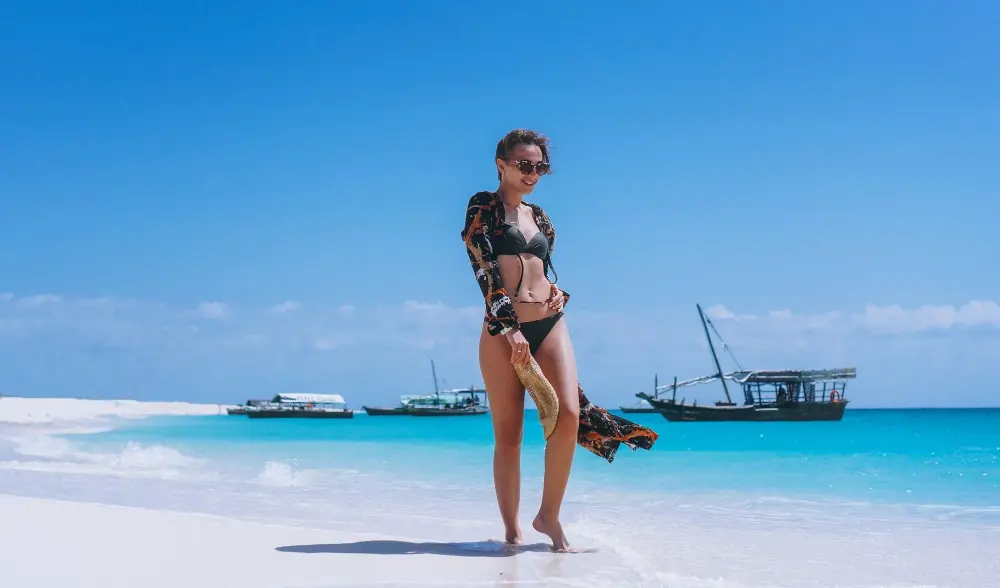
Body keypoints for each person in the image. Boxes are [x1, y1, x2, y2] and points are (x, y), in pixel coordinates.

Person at [461, 128, 659, 552]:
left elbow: (541, 272)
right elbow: (484, 268)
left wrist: (556, 292)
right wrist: (509, 326)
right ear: (501, 165)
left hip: (550, 323)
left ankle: (548, 516)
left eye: (540, 167)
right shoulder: (484, 206)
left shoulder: (541, 217)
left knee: (568, 415)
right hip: (503, 331)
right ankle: (512, 532)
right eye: (524, 165)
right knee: (510, 434)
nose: (533, 174)